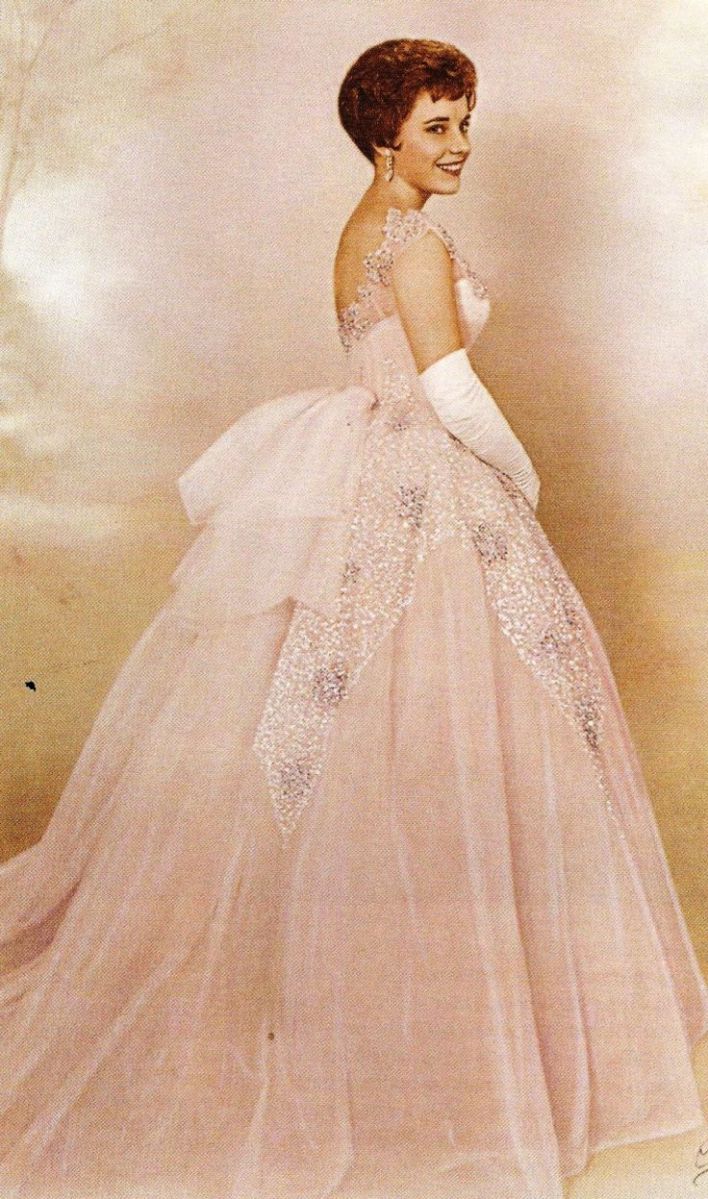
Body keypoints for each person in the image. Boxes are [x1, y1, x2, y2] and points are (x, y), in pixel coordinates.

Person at [0, 35, 705, 1199]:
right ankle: (445, 1039)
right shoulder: (412, 240)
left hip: (378, 475)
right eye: (437, 125)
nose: (461, 144)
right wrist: (525, 480)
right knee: (445, 739)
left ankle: (421, 1012)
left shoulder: (367, 225)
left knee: (387, 742)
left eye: (464, 121)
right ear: (386, 135)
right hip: (422, 486)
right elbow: (449, 388)